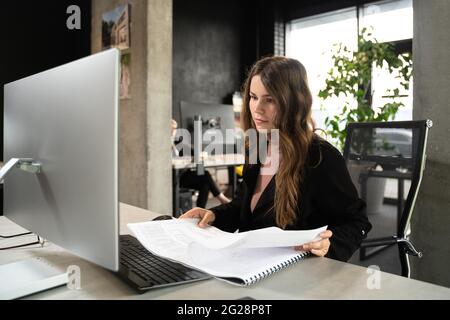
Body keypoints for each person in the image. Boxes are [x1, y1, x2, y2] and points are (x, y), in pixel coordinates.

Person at [179, 56, 372, 262]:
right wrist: (214, 215)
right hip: (247, 264)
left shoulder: (320, 157)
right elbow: (242, 207)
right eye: (253, 97)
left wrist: (329, 244)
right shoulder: (257, 145)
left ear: (294, 102)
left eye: (269, 99)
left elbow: (357, 222)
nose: (257, 108)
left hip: (294, 274)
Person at [172, 119, 230, 208]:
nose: (173, 131)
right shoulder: (164, 143)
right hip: (173, 177)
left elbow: (194, 152)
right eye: (171, 129)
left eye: (175, 128)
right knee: (205, 175)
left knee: (205, 183)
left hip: (182, 174)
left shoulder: (178, 142)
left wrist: (200, 154)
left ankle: (200, 209)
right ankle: (222, 199)